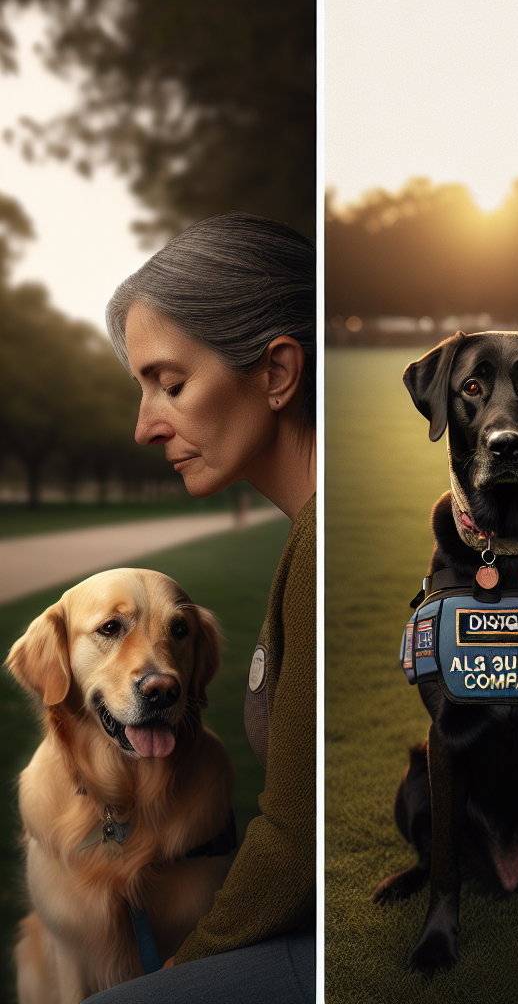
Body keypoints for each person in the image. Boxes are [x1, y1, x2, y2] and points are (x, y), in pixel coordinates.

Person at [85, 212, 316, 1003]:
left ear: (278, 373)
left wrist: (197, 961)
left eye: (170, 384)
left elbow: (297, 843)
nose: (147, 426)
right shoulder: (314, 531)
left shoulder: (329, 539)